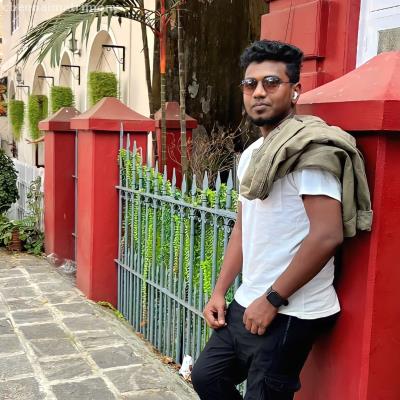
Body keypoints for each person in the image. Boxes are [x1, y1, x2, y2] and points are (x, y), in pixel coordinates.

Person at [191, 40, 372, 400]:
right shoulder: (252, 155)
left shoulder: (309, 153)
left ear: (295, 91)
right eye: (250, 84)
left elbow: (327, 235)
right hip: (248, 299)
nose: (259, 92)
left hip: (292, 310)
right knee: (207, 377)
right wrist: (219, 291)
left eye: (271, 82)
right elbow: (243, 226)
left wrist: (273, 299)